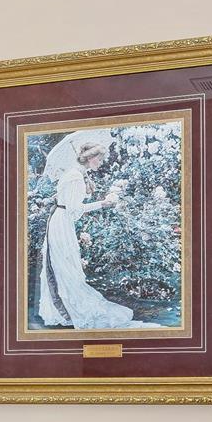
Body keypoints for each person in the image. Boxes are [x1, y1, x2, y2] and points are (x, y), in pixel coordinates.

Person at [34, 129, 155, 330]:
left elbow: (64, 201)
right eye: (98, 159)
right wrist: (103, 204)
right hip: (62, 223)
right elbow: (74, 210)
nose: (100, 163)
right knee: (65, 267)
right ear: (89, 158)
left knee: (65, 266)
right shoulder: (74, 177)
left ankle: (62, 311)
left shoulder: (76, 174)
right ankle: (69, 311)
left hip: (60, 221)